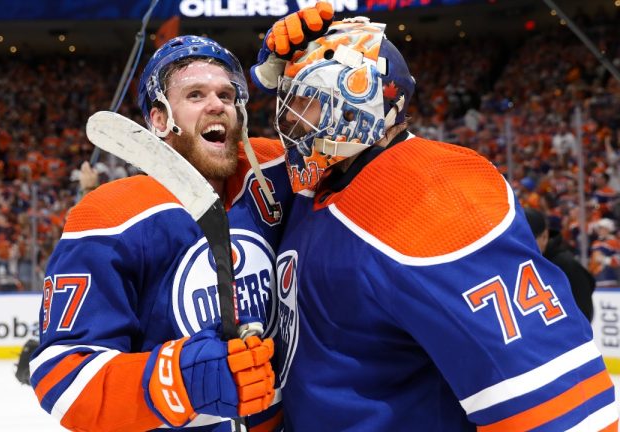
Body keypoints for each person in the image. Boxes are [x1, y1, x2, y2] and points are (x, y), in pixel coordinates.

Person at [249, 14, 618, 431]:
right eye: (290, 100)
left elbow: (556, 409)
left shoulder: (433, 191)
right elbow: (211, 165)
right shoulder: (314, 186)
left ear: (359, 96)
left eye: (305, 98)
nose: (291, 118)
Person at [28, 34, 300, 431]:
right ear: (159, 119)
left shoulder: (273, 172)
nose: (216, 105)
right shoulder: (112, 214)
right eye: (195, 95)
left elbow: (356, 159)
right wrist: (184, 378)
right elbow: (63, 379)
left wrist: (312, 60)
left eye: (226, 95)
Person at [524, 208, 595, 322]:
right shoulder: (520, 262)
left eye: (528, 240)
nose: (522, 245)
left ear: (544, 237)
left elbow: (584, 317)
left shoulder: (566, 266)